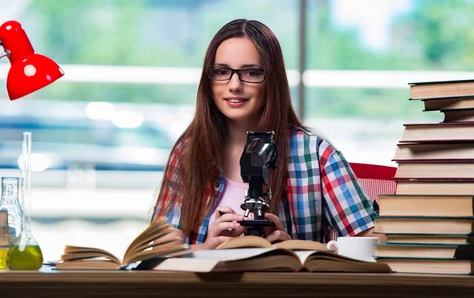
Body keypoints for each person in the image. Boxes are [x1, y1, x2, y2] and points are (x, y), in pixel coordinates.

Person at [152, 18, 377, 250]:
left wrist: (297, 251)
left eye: (251, 72)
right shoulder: (189, 152)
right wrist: (207, 249)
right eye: (221, 71)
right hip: (209, 287)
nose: (234, 85)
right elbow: (160, 252)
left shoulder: (316, 155)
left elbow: (374, 245)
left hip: (287, 286)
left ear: (272, 79)